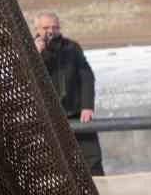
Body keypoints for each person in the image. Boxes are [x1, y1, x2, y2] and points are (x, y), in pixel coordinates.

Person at [33, 12, 103, 176]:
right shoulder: (28, 49)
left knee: (92, 158)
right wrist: (36, 54)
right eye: (46, 28)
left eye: (55, 27)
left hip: (76, 113)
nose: (51, 31)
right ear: (37, 29)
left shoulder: (72, 47)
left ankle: (100, 191)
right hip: (48, 116)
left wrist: (87, 106)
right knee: (52, 160)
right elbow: (25, 78)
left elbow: (86, 76)